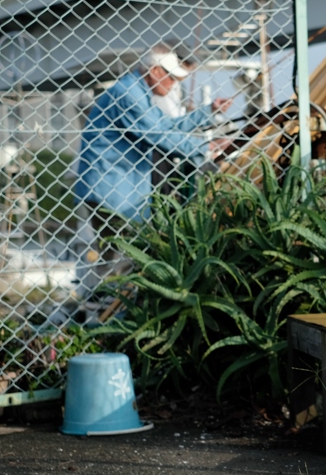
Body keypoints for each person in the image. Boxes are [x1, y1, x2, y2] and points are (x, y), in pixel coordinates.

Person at [68, 45, 230, 311]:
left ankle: (98, 306)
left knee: (113, 254)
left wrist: (207, 112)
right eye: (173, 78)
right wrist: (203, 149)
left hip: (115, 188)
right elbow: (157, 136)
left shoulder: (137, 93)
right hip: (113, 189)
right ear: (155, 71)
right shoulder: (128, 94)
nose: (175, 84)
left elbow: (165, 128)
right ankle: (106, 308)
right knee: (133, 251)